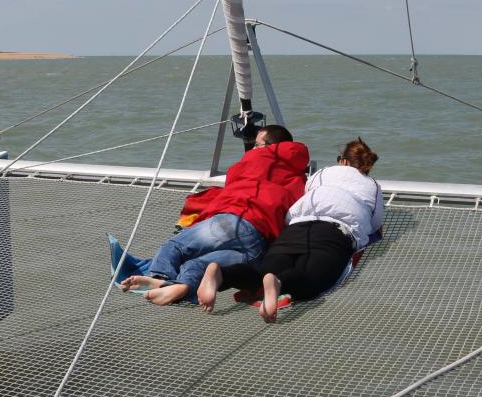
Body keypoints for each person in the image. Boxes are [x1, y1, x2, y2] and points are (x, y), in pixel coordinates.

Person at [118, 124, 309, 305]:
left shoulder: (255, 159)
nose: (253, 148)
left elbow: (233, 179)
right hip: (258, 244)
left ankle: (158, 277)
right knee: (197, 265)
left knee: (176, 247)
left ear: (270, 146)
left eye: (257, 145)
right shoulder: (299, 176)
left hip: (231, 220)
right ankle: (181, 287)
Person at [198, 137, 383, 322]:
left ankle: (223, 275)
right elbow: (374, 224)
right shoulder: (372, 186)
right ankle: (278, 283)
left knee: (263, 272)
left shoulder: (322, 173)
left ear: (343, 161)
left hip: (297, 227)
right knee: (313, 279)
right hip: (334, 234)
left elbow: (306, 190)